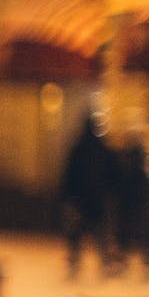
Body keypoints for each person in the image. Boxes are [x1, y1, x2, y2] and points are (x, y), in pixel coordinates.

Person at [59, 113, 113, 279]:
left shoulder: (77, 147)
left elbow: (68, 175)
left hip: (78, 200)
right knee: (100, 235)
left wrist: (66, 196)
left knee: (75, 234)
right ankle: (104, 264)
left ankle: (75, 263)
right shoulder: (103, 148)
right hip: (97, 201)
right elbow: (113, 175)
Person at [110, 126, 149, 278]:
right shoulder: (144, 158)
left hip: (134, 202)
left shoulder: (133, 158)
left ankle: (138, 263)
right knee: (137, 234)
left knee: (134, 234)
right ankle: (141, 263)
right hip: (136, 202)